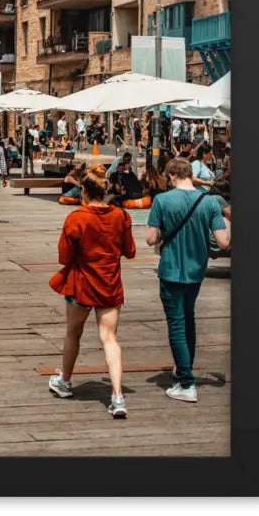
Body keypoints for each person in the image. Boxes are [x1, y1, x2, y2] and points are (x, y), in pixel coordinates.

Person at [47, 164, 136, 417]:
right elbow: (130, 251)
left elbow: (64, 257)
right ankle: (117, 396)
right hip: (109, 284)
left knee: (73, 334)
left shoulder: (76, 218)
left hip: (81, 284)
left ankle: (65, 382)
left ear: (84, 191)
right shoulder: (121, 216)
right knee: (110, 339)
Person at [146, 158, 230, 403]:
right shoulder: (209, 202)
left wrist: (163, 231)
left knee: (176, 324)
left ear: (172, 175)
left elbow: (150, 239)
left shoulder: (161, 200)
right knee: (188, 318)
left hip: (171, 270)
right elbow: (223, 242)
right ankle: (185, 367)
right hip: (196, 270)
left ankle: (186, 383)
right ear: (190, 175)